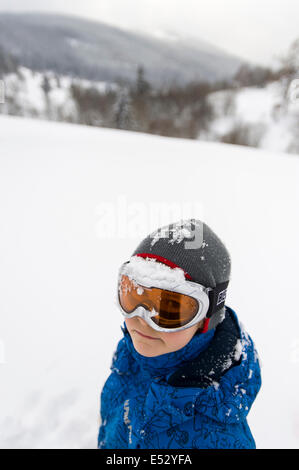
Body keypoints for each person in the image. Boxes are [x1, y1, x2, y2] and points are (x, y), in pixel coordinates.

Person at [97, 219, 261, 449]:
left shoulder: (221, 440)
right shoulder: (132, 355)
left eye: (170, 309)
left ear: (205, 318)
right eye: (133, 295)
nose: (142, 320)